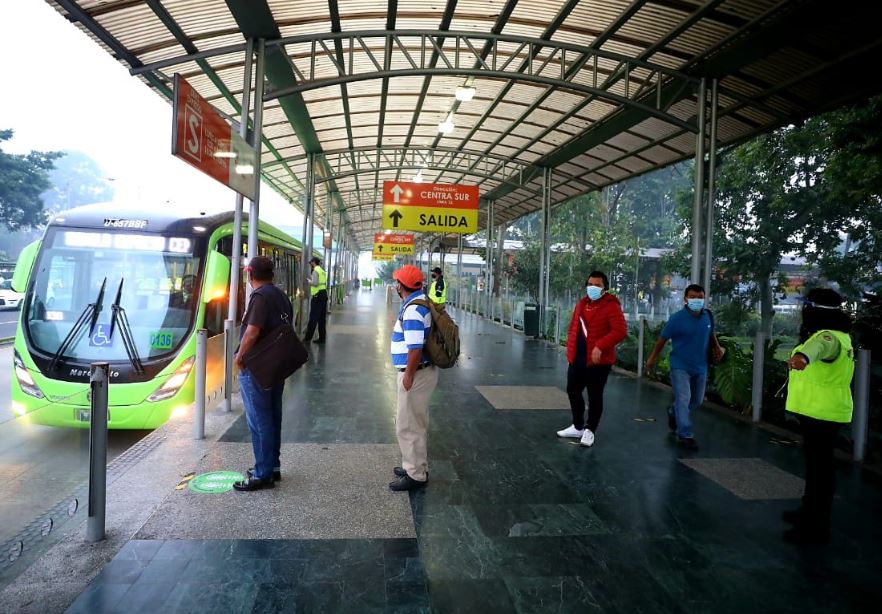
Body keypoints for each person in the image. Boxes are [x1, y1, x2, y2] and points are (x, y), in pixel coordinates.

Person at [782, 288, 854, 545]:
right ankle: (808, 513)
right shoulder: (840, 335)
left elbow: (816, 350)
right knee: (816, 469)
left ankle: (815, 528)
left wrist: (801, 358)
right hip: (821, 412)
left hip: (822, 414)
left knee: (820, 472)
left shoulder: (826, 337)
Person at [232, 256, 293, 492]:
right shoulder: (281, 295)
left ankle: (263, 473)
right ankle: (271, 466)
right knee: (272, 416)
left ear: (250, 275)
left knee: (259, 420)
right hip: (275, 366)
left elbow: (252, 332)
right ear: (272, 274)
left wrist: (239, 358)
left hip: (257, 367)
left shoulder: (259, 297)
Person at [645, 284, 724, 450]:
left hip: (700, 366)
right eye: (693, 297)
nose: (697, 300)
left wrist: (717, 347)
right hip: (680, 365)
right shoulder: (677, 319)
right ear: (686, 299)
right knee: (683, 398)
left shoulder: (707, 316)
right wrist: (652, 357)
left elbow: (711, 333)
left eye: (700, 297)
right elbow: (662, 340)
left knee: (696, 400)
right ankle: (685, 434)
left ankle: (674, 412)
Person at [556, 271, 627, 447]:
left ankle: (590, 430)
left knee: (595, 395)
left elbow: (619, 331)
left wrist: (600, 346)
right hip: (577, 357)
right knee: (572, 390)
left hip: (598, 361)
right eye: (590, 284)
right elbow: (574, 328)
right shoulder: (582, 304)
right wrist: (570, 350)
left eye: (597, 285)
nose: (592, 288)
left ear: (605, 289)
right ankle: (578, 425)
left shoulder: (611, 306)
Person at [389, 264, 439, 491]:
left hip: (416, 374)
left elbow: (415, 349)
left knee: (408, 425)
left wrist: (408, 376)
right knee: (415, 422)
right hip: (421, 373)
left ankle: (415, 475)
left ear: (401, 285)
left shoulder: (413, 310)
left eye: (397, 282)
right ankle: (415, 465)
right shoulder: (419, 303)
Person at [303, 256, 328, 344]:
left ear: (314, 262)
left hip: (317, 295)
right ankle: (322, 338)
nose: (310, 264)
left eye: (311, 263)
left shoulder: (315, 271)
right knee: (322, 318)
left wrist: (310, 282)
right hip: (324, 294)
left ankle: (307, 338)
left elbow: (315, 283)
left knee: (313, 317)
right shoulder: (322, 271)